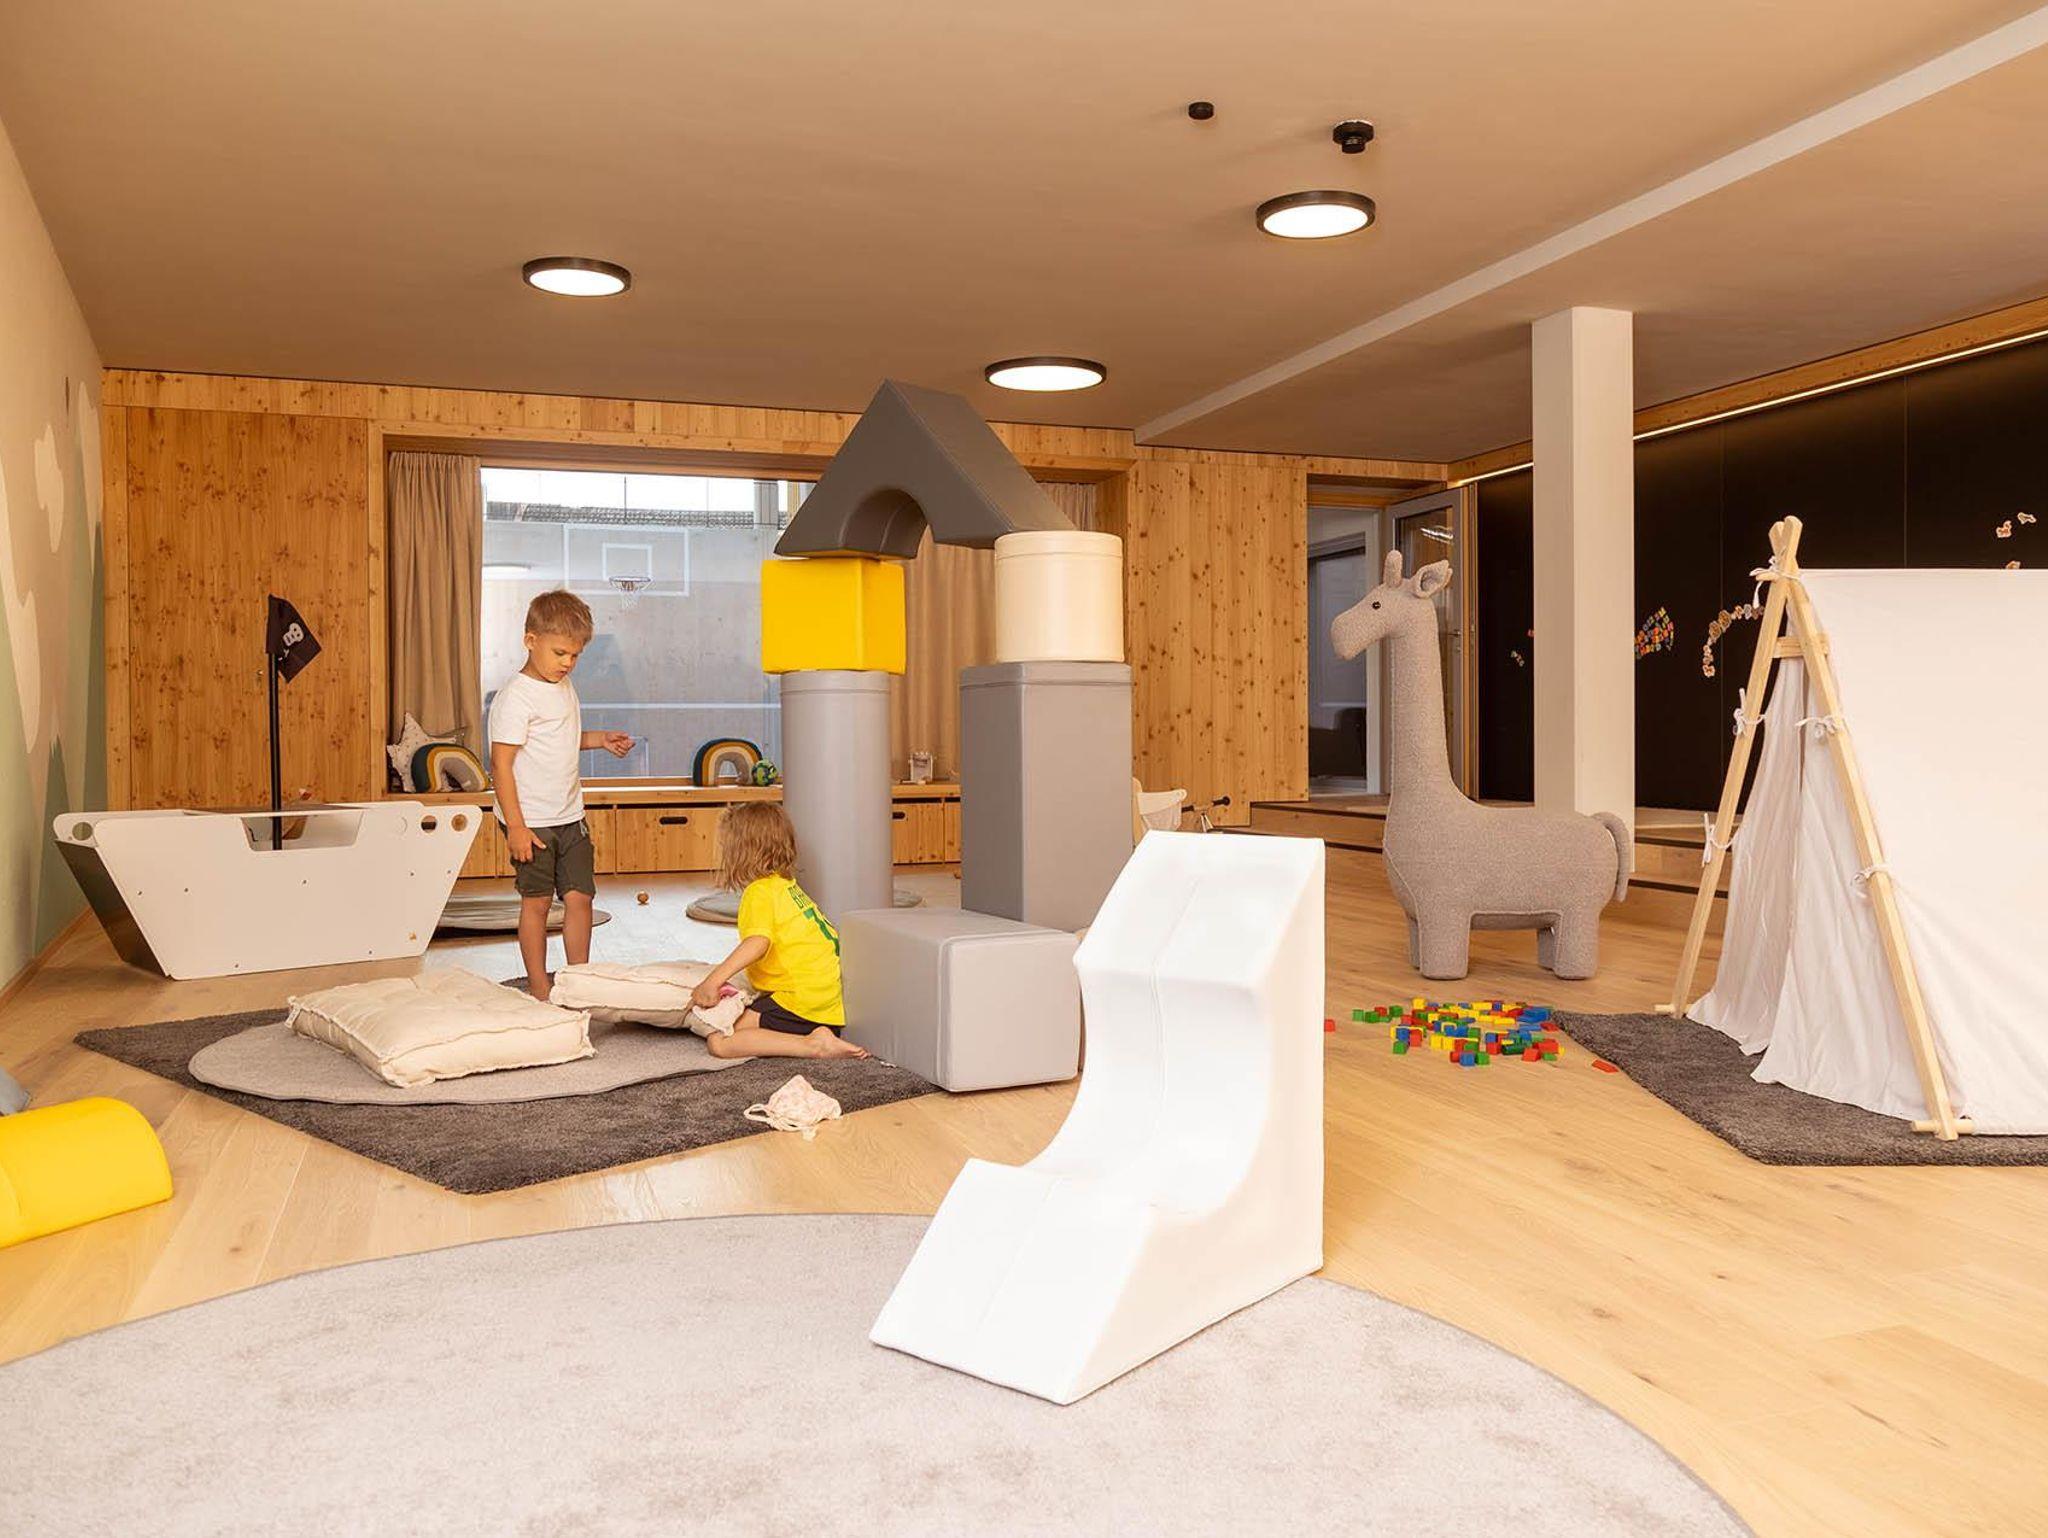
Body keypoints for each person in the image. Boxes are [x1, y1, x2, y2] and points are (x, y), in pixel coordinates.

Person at [488, 589, 631, 998]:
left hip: (570, 815)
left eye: (575, 655)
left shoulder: (563, 686)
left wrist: (599, 739)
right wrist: (516, 827)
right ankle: (539, 987)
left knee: (580, 897)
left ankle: (579, 981)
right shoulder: (515, 698)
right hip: (531, 821)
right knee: (536, 903)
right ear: (530, 640)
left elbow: (561, 737)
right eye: (560, 653)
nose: (567, 663)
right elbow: (501, 765)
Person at [693, 802, 868, 1060]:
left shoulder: (759, 892)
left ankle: (814, 1045)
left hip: (799, 1001)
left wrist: (712, 981)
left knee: (720, 1040)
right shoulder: (786, 886)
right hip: (824, 999)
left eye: (726, 847)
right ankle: (818, 1033)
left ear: (742, 851)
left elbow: (757, 942)